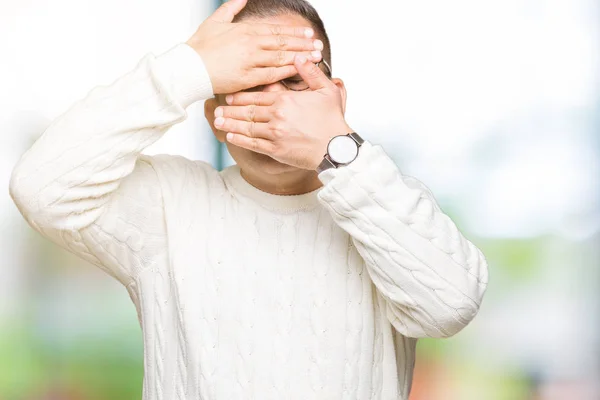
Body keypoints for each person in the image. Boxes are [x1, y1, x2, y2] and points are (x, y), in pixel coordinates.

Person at [8, 0, 489, 399]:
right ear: (215, 113)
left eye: (295, 83)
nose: (276, 108)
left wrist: (339, 151)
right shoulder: (167, 206)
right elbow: (41, 190)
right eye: (250, 85)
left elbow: (449, 306)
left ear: (336, 100)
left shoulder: (384, 202)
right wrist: (185, 70)